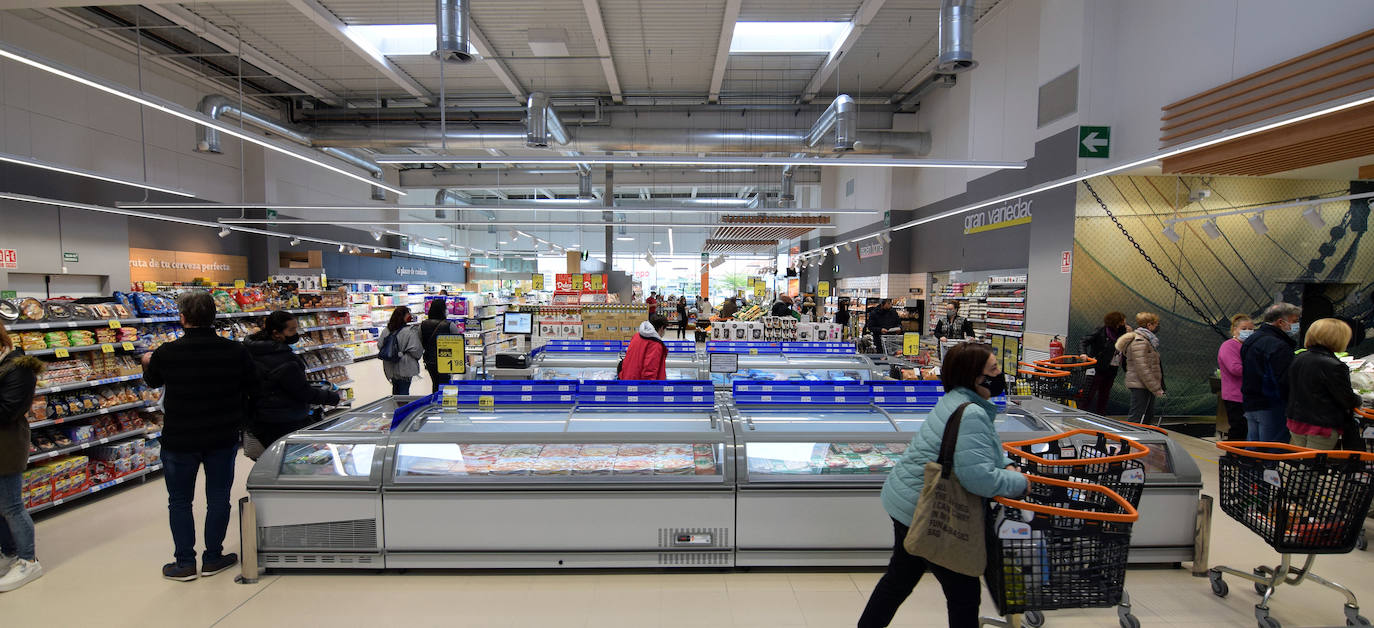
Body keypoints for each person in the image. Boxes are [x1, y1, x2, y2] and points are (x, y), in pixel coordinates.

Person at [859, 342, 1029, 628]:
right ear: (976, 377)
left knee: (900, 579)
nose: (1000, 374)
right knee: (963, 592)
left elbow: (977, 446)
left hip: (909, 501)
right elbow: (977, 477)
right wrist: (1019, 482)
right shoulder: (972, 411)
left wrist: (1003, 461)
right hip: (932, 509)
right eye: (994, 369)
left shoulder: (957, 399)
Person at [141, 292, 260, 582]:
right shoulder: (235, 351)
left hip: (179, 438)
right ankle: (213, 557)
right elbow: (254, 387)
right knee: (218, 498)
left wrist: (147, 361)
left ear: (182, 319)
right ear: (214, 317)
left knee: (179, 501)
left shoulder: (167, 352)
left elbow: (153, 380)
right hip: (221, 436)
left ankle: (184, 563)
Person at [243, 311, 342, 449]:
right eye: (292, 330)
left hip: (260, 419)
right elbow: (302, 391)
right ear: (276, 333)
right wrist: (331, 397)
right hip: (285, 418)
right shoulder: (285, 359)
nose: (296, 333)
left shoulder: (250, 351)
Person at [0, 322, 44, 592]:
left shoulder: (20, 367)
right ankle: (9, 552)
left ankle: (28, 560)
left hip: (6, 445)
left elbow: (7, 410)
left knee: (11, 506)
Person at [1286, 318, 1361, 449]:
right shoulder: (1334, 365)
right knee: (1315, 464)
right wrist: (1358, 400)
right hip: (1321, 424)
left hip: (1296, 419)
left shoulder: (1299, 358)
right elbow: (1346, 398)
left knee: (1304, 464)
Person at [1242, 302, 1302, 443]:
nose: (1296, 325)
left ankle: (1251, 464)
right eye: (1294, 321)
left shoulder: (1252, 339)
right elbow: (1283, 379)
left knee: (1254, 446)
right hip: (1271, 405)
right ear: (1281, 322)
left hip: (1250, 402)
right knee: (1271, 449)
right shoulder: (1279, 346)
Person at [1116, 312, 1164, 425]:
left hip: (1146, 384)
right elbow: (1142, 368)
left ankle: (1143, 440)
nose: (1157, 326)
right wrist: (1155, 386)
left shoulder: (1148, 340)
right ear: (1149, 325)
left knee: (1147, 414)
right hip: (1140, 384)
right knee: (1136, 416)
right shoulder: (1140, 341)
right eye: (1156, 324)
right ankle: (1129, 440)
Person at [1079, 312, 1129, 416]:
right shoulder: (1102, 330)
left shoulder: (1123, 332)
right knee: (1089, 393)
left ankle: (1100, 415)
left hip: (1112, 367)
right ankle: (1081, 413)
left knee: (1105, 394)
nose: (1125, 322)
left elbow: (1124, 350)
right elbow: (1084, 341)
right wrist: (1083, 354)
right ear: (1117, 322)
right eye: (1123, 320)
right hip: (1098, 366)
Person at [1217, 314, 1255, 441]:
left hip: (1249, 395)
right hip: (1235, 396)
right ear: (1234, 330)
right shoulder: (1229, 346)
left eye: (1251, 329)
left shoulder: (1250, 346)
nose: (1248, 332)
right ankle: (1233, 455)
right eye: (1244, 328)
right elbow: (1235, 369)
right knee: (1238, 428)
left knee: (1247, 429)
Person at [419, 299, 462, 393]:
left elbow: (421, 341)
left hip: (430, 360)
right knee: (445, 384)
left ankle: (435, 403)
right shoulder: (450, 325)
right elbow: (458, 343)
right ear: (443, 310)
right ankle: (445, 403)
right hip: (446, 360)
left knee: (435, 383)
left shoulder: (423, 325)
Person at [379, 306, 423, 395]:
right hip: (405, 366)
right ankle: (402, 407)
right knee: (404, 390)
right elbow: (416, 350)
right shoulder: (410, 331)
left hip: (390, 365)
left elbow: (380, 345)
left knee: (395, 388)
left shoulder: (386, 330)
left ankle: (396, 406)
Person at [619, 315, 669, 380]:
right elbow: (650, 370)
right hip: (639, 384)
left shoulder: (637, 336)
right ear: (662, 328)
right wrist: (648, 387)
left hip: (627, 378)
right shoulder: (655, 344)